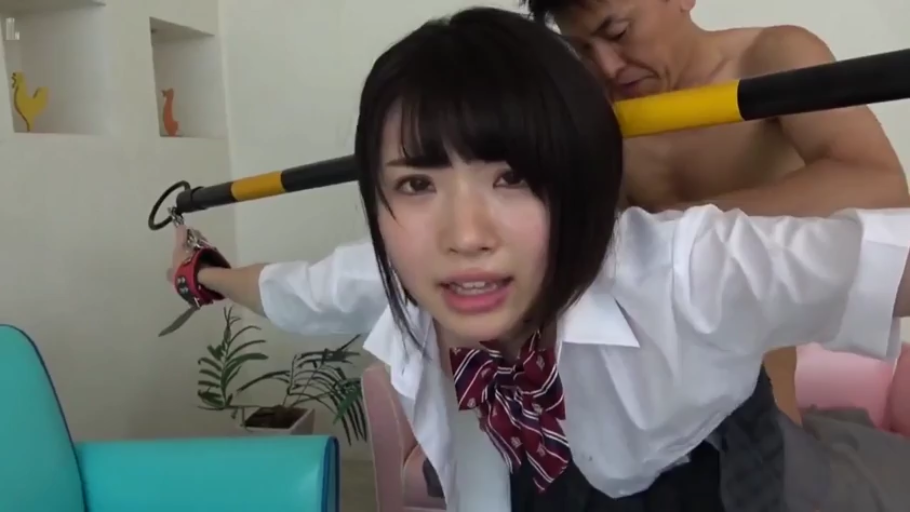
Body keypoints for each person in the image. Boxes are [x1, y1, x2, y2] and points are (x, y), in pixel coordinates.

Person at [168, 7, 910, 512]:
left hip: (705, 458)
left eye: (513, 178)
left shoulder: (682, 266)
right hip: (547, 464)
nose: (466, 235)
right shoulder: (400, 268)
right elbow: (299, 289)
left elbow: (870, 256)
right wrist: (205, 275)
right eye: (418, 184)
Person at [522, 0, 910, 424]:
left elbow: (883, 189)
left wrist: (674, 229)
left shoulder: (770, 59)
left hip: (762, 407)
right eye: (582, 48)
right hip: (645, 405)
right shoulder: (588, 108)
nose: (608, 66)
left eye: (618, 33)